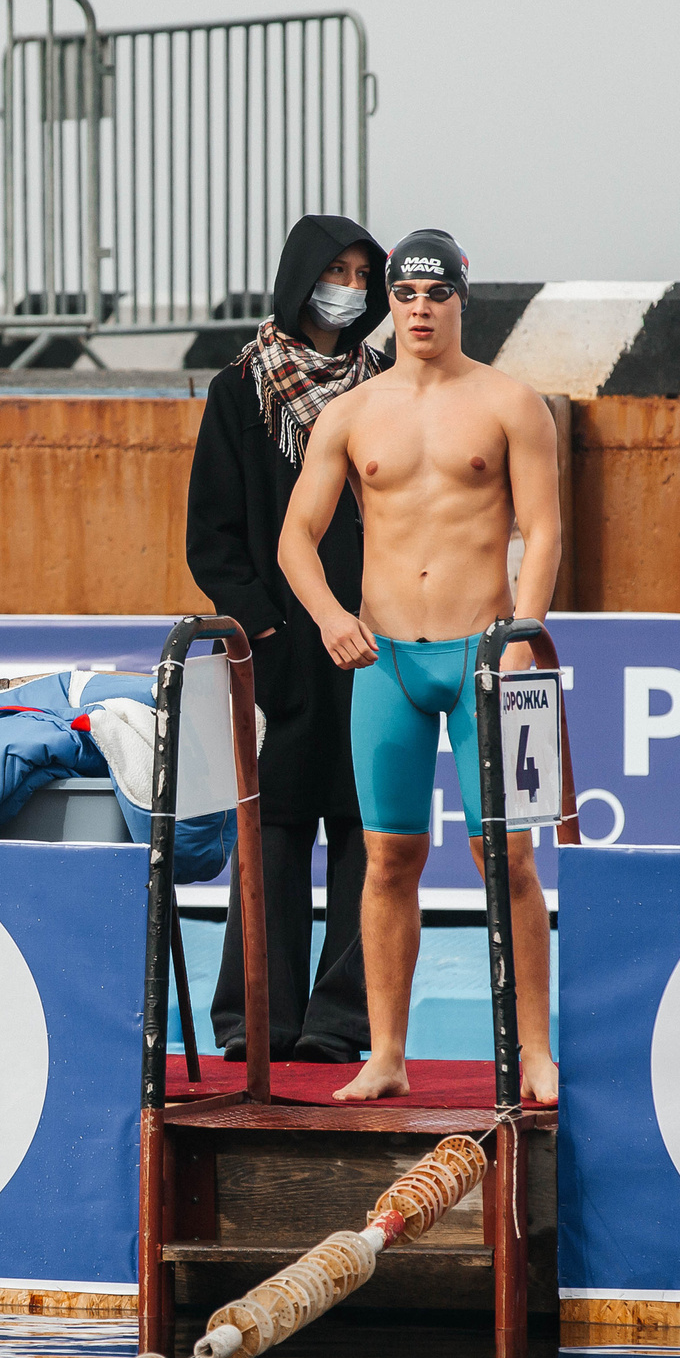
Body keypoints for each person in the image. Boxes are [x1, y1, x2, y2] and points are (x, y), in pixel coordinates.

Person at [278, 228, 563, 1105]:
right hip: (387, 661)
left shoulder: (511, 403)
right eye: (404, 294)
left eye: (437, 294)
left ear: (461, 300)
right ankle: (388, 1054)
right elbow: (295, 537)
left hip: (488, 656)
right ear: (389, 303)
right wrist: (331, 618)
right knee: (387, 857)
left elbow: (544, 528)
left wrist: (525, 630)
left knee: (507, 858)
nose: (420, 309)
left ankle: (536, 1051)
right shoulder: (351, 411)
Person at [184, 214, 384, 1063]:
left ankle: (341, 1024)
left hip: (372, 646)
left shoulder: (388, 388)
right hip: (278, 651)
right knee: (270, 832)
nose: (349, 289)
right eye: (335, 271)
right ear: (301, 275)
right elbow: (212, 537)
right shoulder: (242, 389)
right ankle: (256, 1021)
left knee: (366, 831)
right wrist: (264, 628)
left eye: (362, 275)